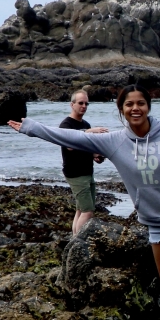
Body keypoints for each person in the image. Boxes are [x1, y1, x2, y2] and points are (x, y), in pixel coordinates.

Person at [9, 85, 160, 318]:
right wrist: (33, 128)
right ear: (121, 109)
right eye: (129, 104)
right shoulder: (115, 142)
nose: (135, 108)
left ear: (148, 106)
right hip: (156, 220)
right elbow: (73, 137)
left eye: (140, 103)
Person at [59, 89, 107, 236]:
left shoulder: (86, 124)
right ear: (72, 105)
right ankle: (78, 243)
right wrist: (89, 132)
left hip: (88, 172)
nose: (84, 106)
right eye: (80, 103)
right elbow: (70, 146)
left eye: (86, 103)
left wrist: (96, 155)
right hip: (75, 174)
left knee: (80, 210)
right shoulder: (65, 125)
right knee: (88, 211)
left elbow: (86, 147)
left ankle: (75, 239)